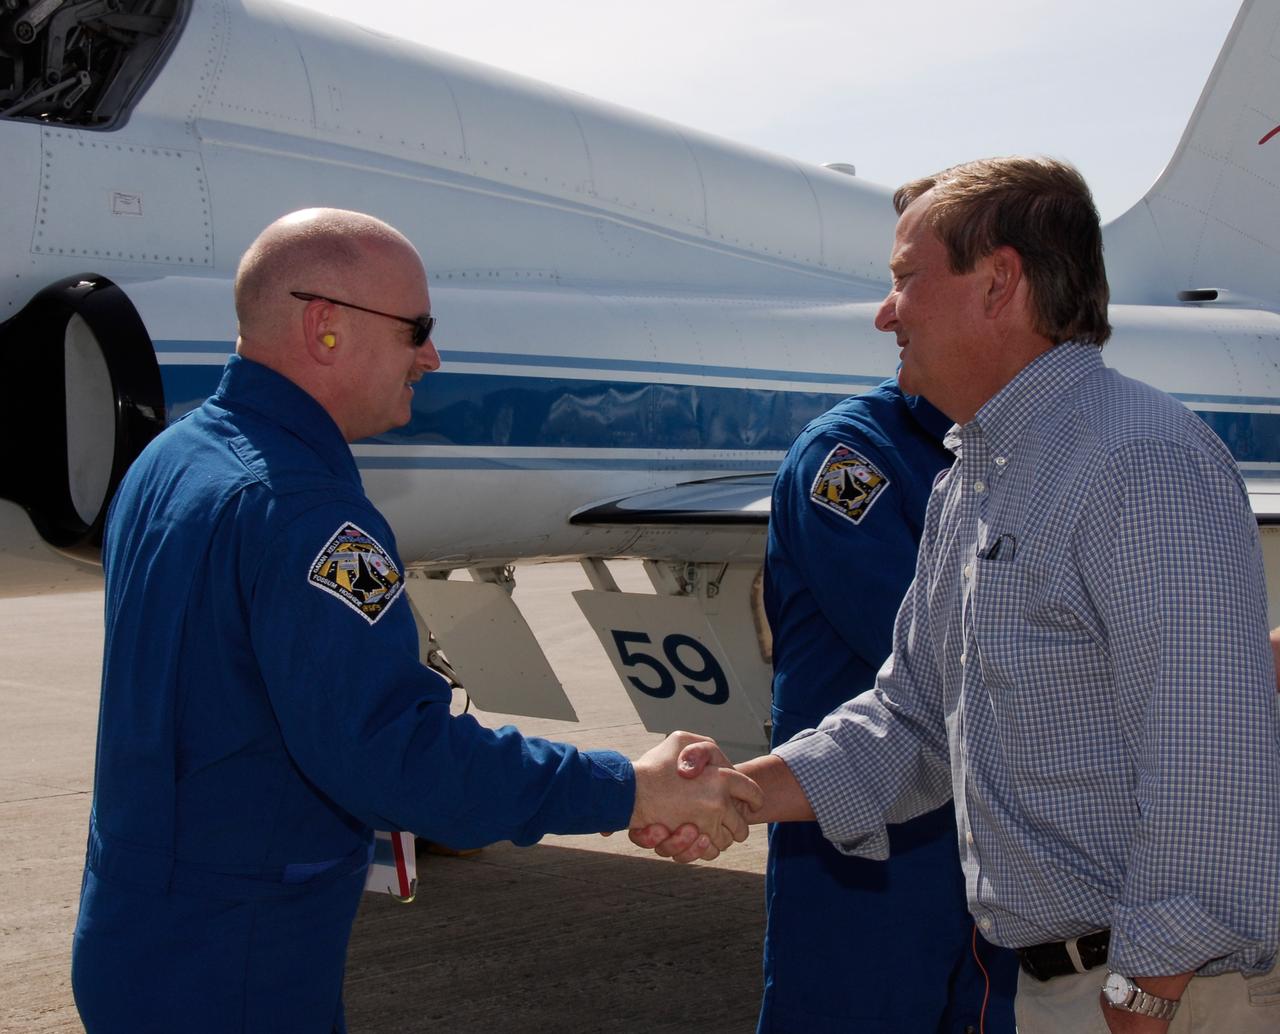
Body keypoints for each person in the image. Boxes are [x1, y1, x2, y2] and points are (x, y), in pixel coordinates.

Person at [70, 208, 761, 1033]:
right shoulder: (306, 516)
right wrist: (630, 789)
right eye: (417, 329)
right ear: (325, 327)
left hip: (136, 933)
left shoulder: (172, 459)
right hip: (237, 970)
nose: (431, 356)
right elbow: (400, 758)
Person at [641, 157, 1280, 1033]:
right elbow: (912, 719)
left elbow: (1208, 754)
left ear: (998, 282)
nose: (884, 311)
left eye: (907, 278)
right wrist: (735, 792)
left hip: (1165, 995)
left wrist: (1147, 989)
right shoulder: (972, 479)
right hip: (1060, 985)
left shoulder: (1136, 463)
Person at [759, 377, 1018, 1032]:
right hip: (873, 853)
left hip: (987, 846)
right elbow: (942, 660)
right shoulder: (848, 460)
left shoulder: (1014, 450)